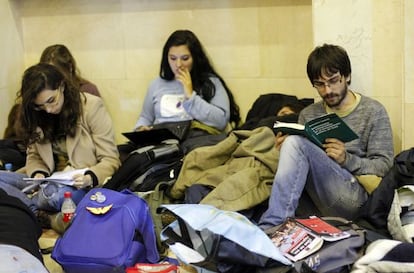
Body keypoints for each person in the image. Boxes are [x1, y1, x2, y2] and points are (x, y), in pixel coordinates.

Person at [258, 44, 394, 230]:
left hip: (355, 197)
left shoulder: (373, 111)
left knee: (296, 144)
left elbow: (385, 166)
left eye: (333, 81)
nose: (327, 90)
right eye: (320, 84)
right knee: (292, 143)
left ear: (347, 76)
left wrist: (347, 159)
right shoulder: (309, 114)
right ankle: (281, 225)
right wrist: (284, 151)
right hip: (317, 199)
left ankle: (272, 226)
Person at [0, 63, 120, 214]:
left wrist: (90, 178)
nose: (48, 110)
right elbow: (34, 156)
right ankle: (34, 208)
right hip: (46, 181)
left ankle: (27, 207)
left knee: (56, 196)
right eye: (40, 106)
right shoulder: (35, 115)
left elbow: (110, 159)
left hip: (78, 185)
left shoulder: (91, 107)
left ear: (62, 86)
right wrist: (39, 174)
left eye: (51, 101)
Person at [134, 29, 240, 133]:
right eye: (173, 58)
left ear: (195, 58)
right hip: (163, 144)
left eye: (185, 58)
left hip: (197, 142)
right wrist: (140, 128)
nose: (178, 64)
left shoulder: (211, 82)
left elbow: (221, 121)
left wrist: (190, 96)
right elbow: (145, 117)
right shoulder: (156, 84)